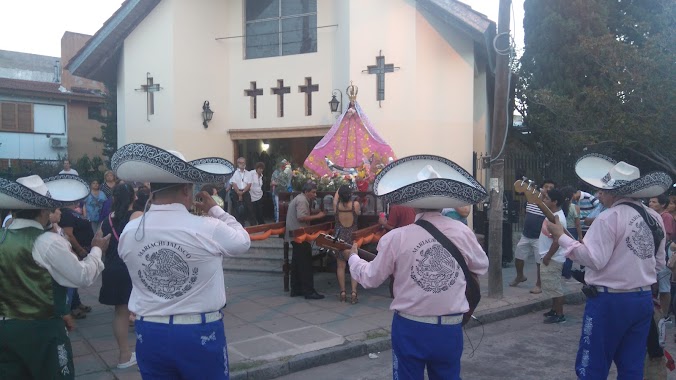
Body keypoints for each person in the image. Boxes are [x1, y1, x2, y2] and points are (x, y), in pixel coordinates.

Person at [342, 155, 489, 379]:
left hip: (411, 328)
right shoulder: (462, 232)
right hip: (449, 328)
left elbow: (371, 278)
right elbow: (481, 265)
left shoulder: (397, 237)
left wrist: (353, 258)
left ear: (413, 203)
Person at [112, 143, 249, 378]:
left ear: (153, 189)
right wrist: (216, 210)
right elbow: (242, 242)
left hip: (149, 331)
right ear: (187, 189)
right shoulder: (208, 227)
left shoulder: (130, 231)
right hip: (198, 331)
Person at [547, 154, 670, 379]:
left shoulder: (608, 218)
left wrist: (561, 237)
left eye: (603, 190)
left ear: (613, 192)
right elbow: (659, 263)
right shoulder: (654, 217)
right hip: (642, 299)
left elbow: (594, 259)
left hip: (610, 301)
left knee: (592, 365)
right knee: (631, 365)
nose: (599, 194)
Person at [0, 174, 108, 379]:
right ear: (43, 210)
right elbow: (82, 276)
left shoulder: (2, 237)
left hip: (5, 328)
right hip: (41, 330)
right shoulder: (46, 241)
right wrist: (97, 250)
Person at [99, 183, 144, 369]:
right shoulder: (137, 216)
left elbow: (100, 244)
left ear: (114, 199)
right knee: (144, 310)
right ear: (133, 198)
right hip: (131, 268)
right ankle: (150, 352)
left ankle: (124, 355)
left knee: (120, 312)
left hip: (111, 268)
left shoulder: (107, 220)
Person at [510, 179, 555, 294]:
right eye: (546, 187)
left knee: (538, 262)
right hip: (526, 234)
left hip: (539, 238)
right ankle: (520, 276)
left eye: (551, 188)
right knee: (518, 257)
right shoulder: (532, 198)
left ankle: (539, 284)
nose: (548, 189)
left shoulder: (550, 203)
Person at [286, 182, 326, 299]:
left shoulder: (300, 199)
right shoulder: (302, 200)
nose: (315, 194)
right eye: (313, 192)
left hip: (295, 235)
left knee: (297, 263)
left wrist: (315, 212)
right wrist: (318, 216)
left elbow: (304, 213)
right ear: (306, 192)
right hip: (299, 235)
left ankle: (296, 289)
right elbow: (301, 217)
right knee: (305, 264)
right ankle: (308, 291)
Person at [60, 203, 96, 319]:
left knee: (75, 280)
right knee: (72, 279)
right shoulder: (65, 213)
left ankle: (76, 303)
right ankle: (71, 307)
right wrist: (79, 249)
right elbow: (68, 234)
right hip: (77, 250)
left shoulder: (73, 211)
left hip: (83, 247)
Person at [539, 189, 568, 323]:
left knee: (555, 288)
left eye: (547, 198)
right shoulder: (551, 214)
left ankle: (560, 314)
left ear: (555, 202)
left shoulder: (559, 219)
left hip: (553, 258)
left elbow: (558, 240)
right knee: (550, 286)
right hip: (548, 256)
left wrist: (548, 256)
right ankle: (554, 309)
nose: (545, 200)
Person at [333, 185, 361, 304]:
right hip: (352, 237)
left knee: (340, 266)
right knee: (353, 266)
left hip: (339, 237)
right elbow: (359, 214)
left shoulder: (337, 206)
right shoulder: (355, 205)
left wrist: (339, 188)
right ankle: (354, 293)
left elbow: (335, 198)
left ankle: (343, 292)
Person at [649, 194, 675, 319]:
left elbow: (667, 236)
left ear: (662, 204)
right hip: (655, 253)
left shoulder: (666, 217)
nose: (651, 204)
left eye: (654, 202)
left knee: (664, 286)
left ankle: (664, 314)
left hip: (663, 253)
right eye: (650, 201)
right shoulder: (654, 216)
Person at [560, 186, 582, 279]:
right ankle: (567, 272)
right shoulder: (574, 207)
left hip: (562, 230)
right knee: (570, 251)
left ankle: (561, 269)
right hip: (572, 230)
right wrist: (580, 236)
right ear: (572, 195)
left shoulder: (559, 206)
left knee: (561, 251)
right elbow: (577, 224)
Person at [228, 157, 256, 226]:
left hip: (245, 191)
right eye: (241, 163)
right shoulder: (235, 173)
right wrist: (238, 192)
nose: (242, 164)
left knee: (250, 208)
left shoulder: (248, 173)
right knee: (236, 209)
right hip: (236, 192)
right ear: (238, 164)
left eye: (243, 163)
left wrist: (242, 192)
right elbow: (233, 183)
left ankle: (253, 225)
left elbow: (249, 184)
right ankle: (237, 225)